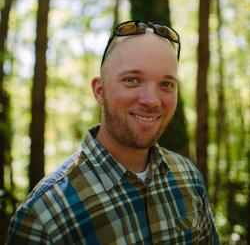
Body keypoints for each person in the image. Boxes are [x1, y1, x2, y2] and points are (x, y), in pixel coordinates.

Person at [7, 20, 220, 244]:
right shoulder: (43, 216)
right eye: (132, 80)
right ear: (100, 91)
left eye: (166, 84)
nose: (151, 100)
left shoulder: (188, 176)